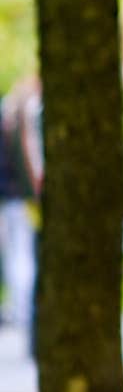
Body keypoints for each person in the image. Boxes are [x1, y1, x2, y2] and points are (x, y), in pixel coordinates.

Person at [0, 75, 42, 356]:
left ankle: (21, 308)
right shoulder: (24, 117)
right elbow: (29, 162)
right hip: (20, 197)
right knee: (23, 255)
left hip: (10, 197)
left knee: (16, 253)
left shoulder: (9, 114)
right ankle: (24, 310)